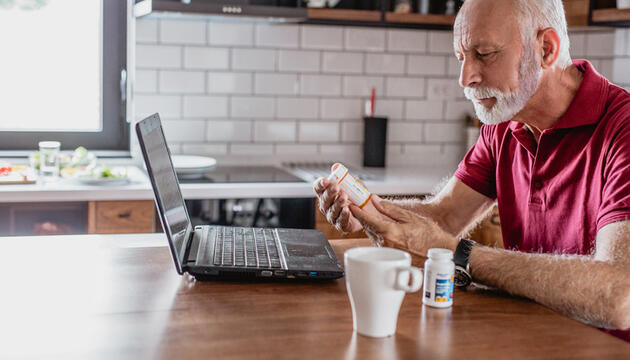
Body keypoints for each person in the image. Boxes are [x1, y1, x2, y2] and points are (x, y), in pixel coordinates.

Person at [313, 0, 630, 342]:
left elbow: (619, 296)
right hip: (531, 339)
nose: (466, 78)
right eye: (461, 57)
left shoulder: (622, 130)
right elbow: (444, 215)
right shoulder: (504, 124)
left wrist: (458, 254)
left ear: (546, 48)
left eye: (485, 54)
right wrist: (366, 211)